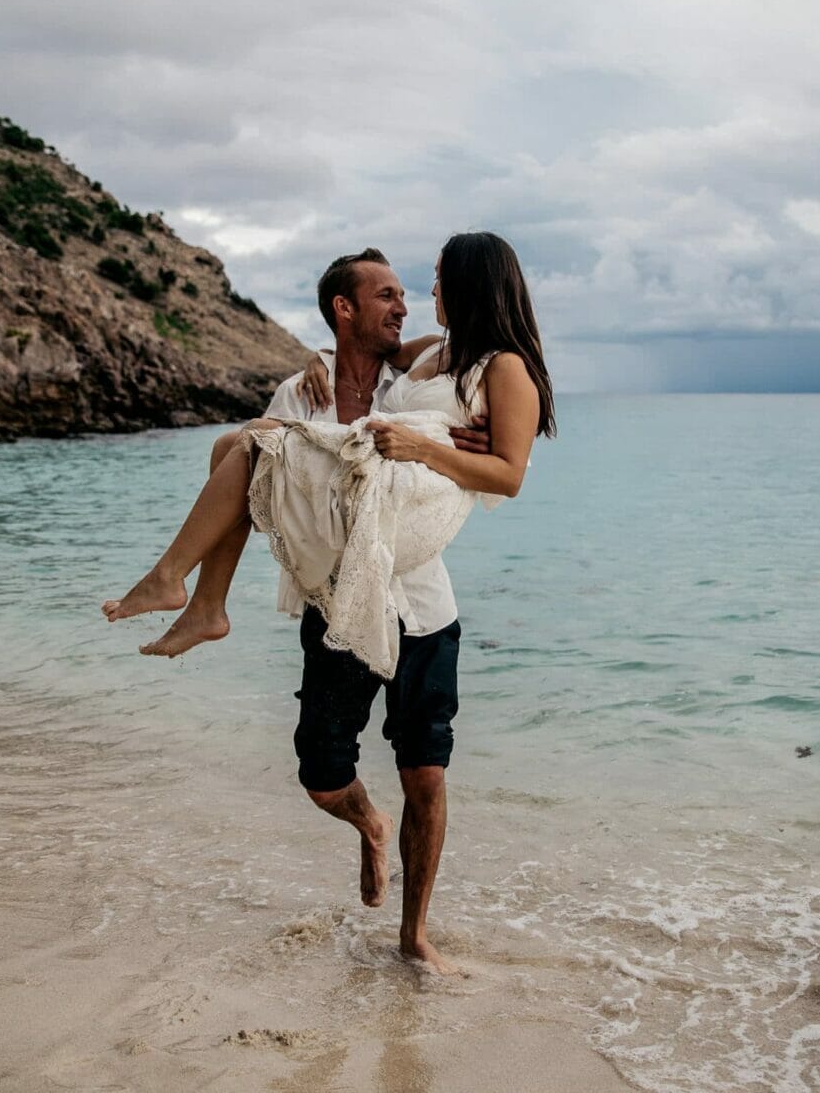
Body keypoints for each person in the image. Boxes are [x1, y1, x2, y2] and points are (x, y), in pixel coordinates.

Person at [102, 233, 556, 975]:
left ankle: (413, 934)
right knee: (321, 774)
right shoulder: (430, 356)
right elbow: (368, 360)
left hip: (423, 606)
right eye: (405, 290)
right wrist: (320, 368)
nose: (421, 297)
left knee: (427, 774)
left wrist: (432, 449)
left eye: (436, 281)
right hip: (341, 595)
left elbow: (507, 473)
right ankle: (367, 823)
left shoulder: (504, 367)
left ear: (472, 282)